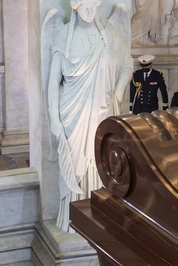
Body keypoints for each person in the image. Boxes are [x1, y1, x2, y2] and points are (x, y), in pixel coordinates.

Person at [45, 0, 134, 232]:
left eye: (92, 6)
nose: (89, 11)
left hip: (102, 109)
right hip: (72, 113)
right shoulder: (64, 35)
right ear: (75, 6)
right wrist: (54, 119)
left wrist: (119, 89)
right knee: (74, 165)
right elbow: (53, 82)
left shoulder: (108, 33)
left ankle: (100, 216)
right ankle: (72, 218)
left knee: (100, 161)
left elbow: (127, 63)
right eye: (84, 6)